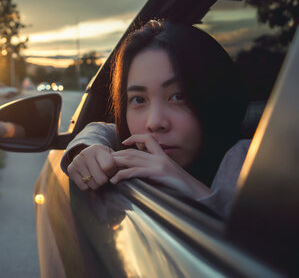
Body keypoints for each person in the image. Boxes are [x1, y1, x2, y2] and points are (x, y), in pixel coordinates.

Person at [61, 19, 249, 217]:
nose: (154, 123)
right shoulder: (131, 150)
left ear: (216, 97)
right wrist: (86, 151)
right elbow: (109, 130)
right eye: (139, 99)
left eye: (179, 96)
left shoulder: (249, 164)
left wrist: (187, 185)